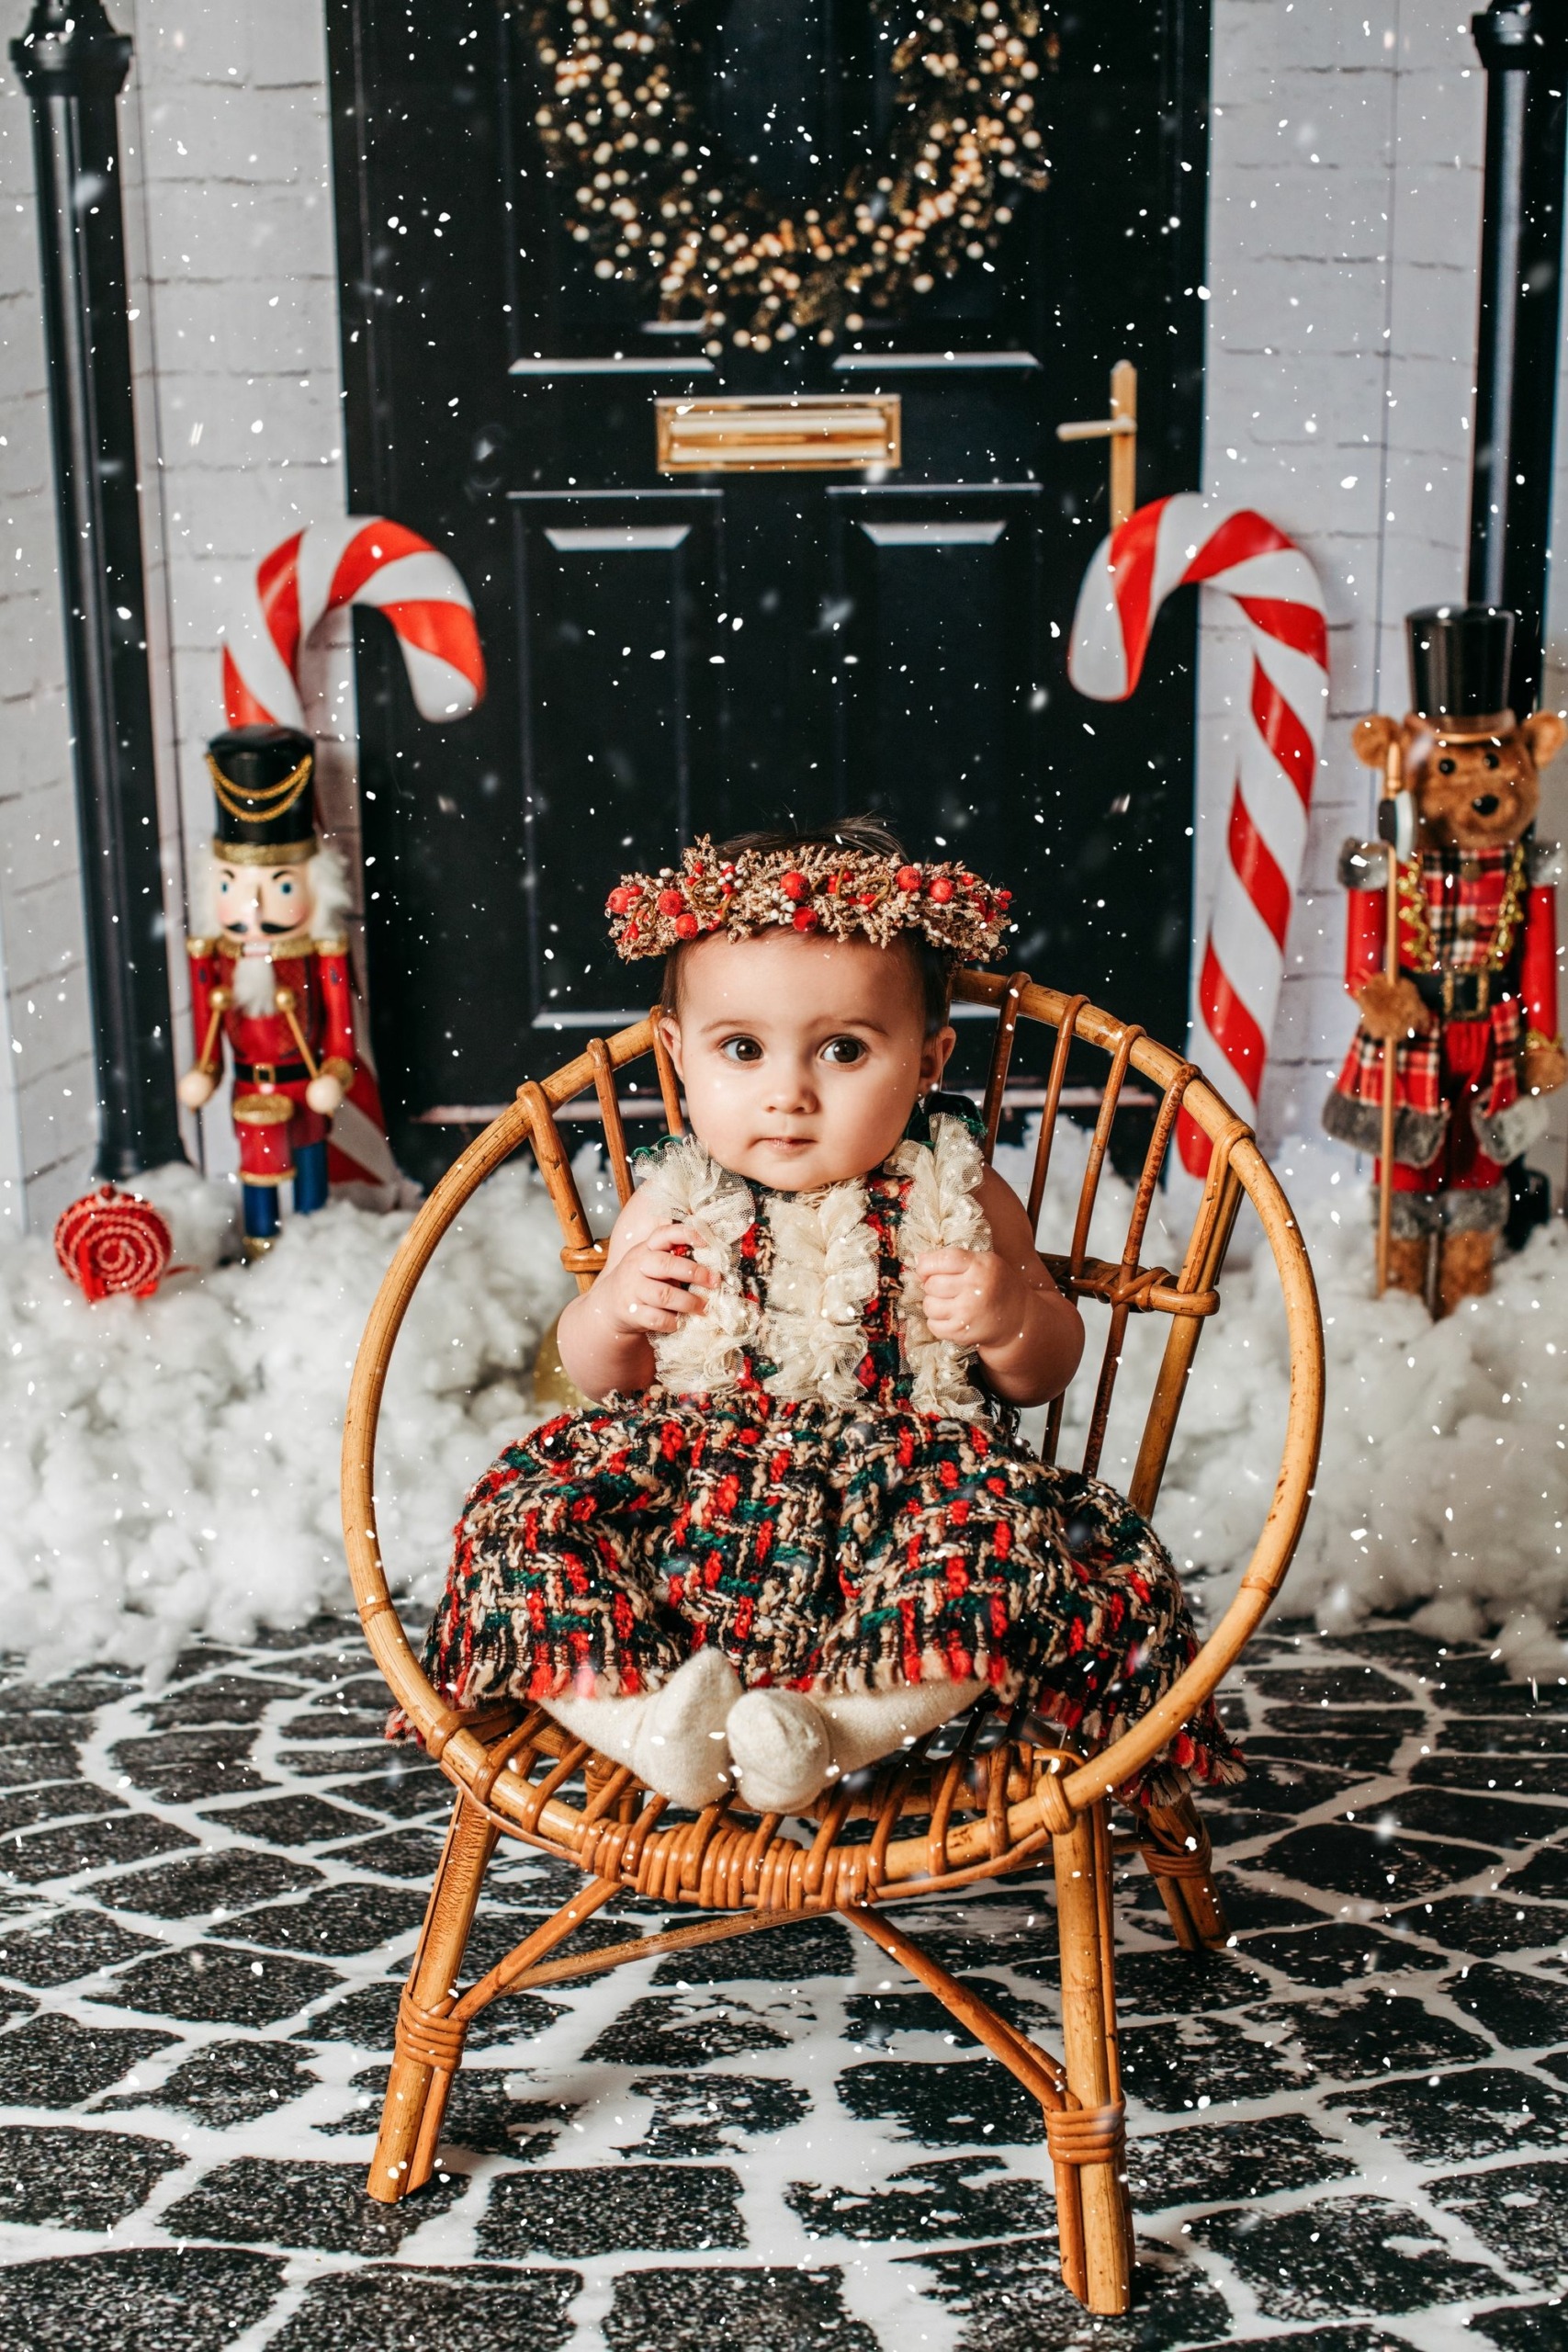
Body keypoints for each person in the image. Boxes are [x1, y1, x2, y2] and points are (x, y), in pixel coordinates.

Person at [415, 821, 1240, 1816]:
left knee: (1017, 1552)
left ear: (930, 1058)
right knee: (517, 1519)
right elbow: (602, 1373)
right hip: (695, 1501)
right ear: (677, 1056)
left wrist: (1007, 1313)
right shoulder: (673, 1197)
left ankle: (822, 1732)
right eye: (742, 1050)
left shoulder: (960, 1193)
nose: (790, 1094)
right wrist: (612, 1310)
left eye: (844, 1049)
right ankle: (650, 1728)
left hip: (900, 1502)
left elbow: (1042, 1373)